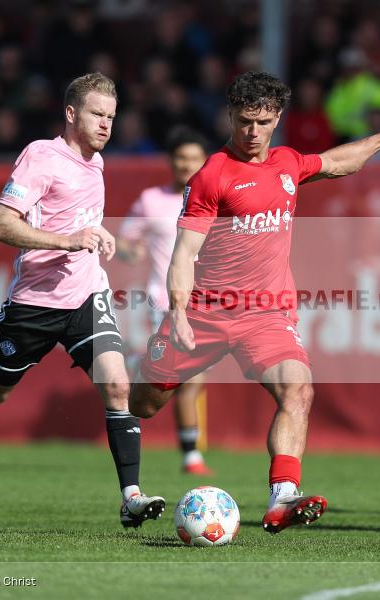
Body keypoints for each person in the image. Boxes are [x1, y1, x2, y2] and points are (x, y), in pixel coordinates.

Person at [128, 71, 380, 534]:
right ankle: (131, 371)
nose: (252, 132)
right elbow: (184, 253)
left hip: (266, 313)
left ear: (277, 119)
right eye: (244, 121)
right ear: (230, 116)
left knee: (298, 389)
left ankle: (282, 497)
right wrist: (180, 313)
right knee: (143, 404)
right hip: (205, 311)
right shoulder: (212, 175)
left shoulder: (286, 162)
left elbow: (338, 162)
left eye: (263, 122)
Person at [0, 72, 165, 529]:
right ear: (70, 114)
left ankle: (131, 497)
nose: (106, 125)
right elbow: (0, 225)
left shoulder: (96, 162)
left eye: (111, 117)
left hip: (87, 295)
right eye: (97, 115)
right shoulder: (41, 157)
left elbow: (78, 219)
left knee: (118, 386)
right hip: (34, 303)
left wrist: (94, 234)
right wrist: (68, 239)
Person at [116, 126, 213, 475]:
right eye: (181, 158)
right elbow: (126, 241)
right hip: (163, 300)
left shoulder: (215, 198)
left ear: (205, 162)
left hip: (205, 302)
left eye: (194, 158)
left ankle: (190, 453)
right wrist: (129, 250)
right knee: (184, 377)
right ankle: (190, 455)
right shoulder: (151, 200)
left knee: (191, 380)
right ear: (171, 162)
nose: (187, 164)